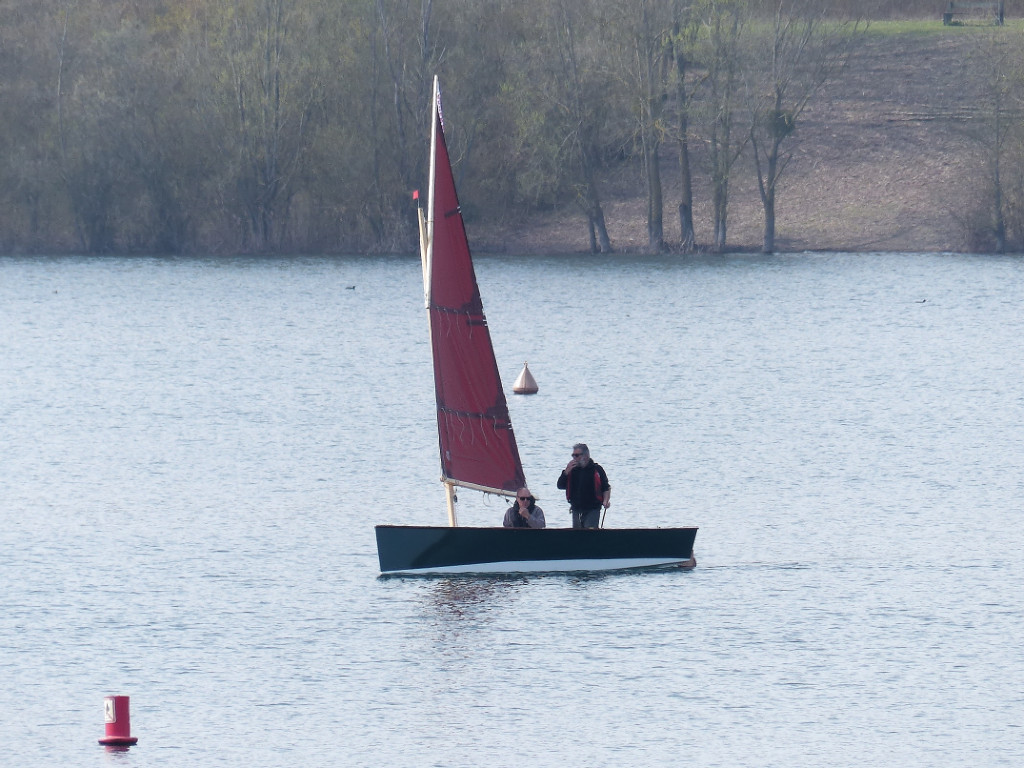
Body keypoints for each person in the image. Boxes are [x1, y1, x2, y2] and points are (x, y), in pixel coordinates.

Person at [556, 443, 610, 529]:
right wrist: (566, 472)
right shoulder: (571, 471)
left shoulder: (597, 469)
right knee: (577, 535)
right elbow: (560, 485)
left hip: (592, 508)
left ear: (586, 456)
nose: (574, 458)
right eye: (573, 456)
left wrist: (606, 501)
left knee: (589, 534)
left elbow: (606, 487)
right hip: (576, 509)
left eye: (577, 455)